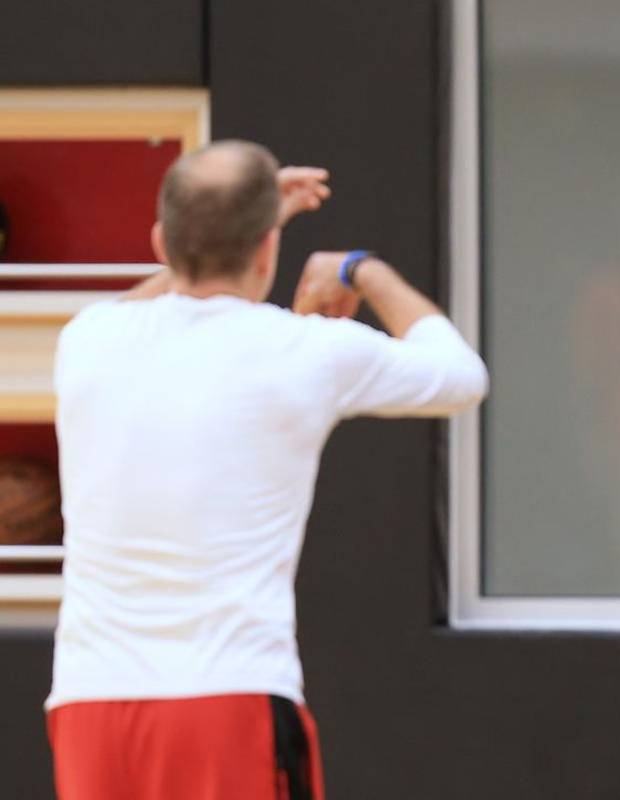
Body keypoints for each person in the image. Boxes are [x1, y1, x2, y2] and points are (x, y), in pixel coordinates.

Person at [46, 140, 488, 800]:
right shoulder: (303, 350)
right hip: (228, 699)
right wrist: (362, 270)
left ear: (161, 243)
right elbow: (462, 376)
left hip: (90, 705)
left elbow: (147, 298)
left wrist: (234, 227)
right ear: (267, 253)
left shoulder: (86, 341)